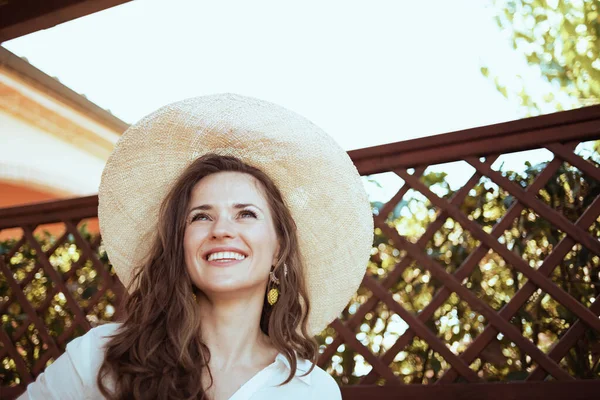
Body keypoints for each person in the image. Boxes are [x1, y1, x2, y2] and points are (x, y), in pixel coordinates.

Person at [17, 93, 373, 399]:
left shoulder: (312, 390)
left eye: (246, 214)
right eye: (201, 216)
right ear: (180, 247)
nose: (221, 230)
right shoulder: (100, 355)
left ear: (278, 250)